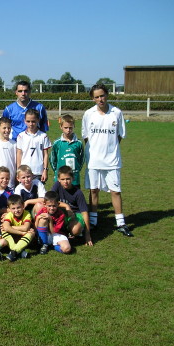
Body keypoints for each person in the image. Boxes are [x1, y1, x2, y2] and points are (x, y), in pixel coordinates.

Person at [82, 84, 133, 237]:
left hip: (112, 161)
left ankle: (121, 223)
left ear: (107, 95)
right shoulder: (88, 114)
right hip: (94, 161)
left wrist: (110, 150)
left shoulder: (116, 113)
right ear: (93, 98)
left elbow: (119, 136)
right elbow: (86, 137)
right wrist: (95, 152)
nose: (100, 99)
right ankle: (93, 221)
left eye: (102, 95)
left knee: (116, 191)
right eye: (97, 97)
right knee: (94, 190)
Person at [51, 166, 92, 246]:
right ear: (58, 179)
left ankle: (78, 230)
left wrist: (87, 235)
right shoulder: (57, 185)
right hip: (62, 213)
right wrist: (66, 205)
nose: (65, 182)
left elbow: (84, 212)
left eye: (68, 179)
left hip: (75, 214)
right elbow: (50, 199)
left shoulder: (78, 193)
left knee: (75, 230)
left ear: (72, 178)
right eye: (62, 179)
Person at [16, 109, 51, 183]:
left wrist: (45, 170)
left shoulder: (43, 136)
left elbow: (45, 155)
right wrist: (18, 170)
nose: (31, 124)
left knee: (38, 194)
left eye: (33, 121)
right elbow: (19, 154)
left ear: (38, 120)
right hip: (24, 172)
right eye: (28, 121)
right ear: (24, 121)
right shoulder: (21, 136)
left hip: (38, 172)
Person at [50, 114, 84, 188]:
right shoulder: (57, 143)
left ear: (74, 127)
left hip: (74, 178)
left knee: (74, 197)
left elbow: (81, 159)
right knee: (60, 198)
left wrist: (76, 170)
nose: (68, 130)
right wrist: (57, 171)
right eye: (66, 128)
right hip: (61, 178)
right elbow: (53, 159)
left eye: (70, 128)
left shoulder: (78, 143)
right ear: (61, 127)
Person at [1, 195, 34, 261]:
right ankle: (18, 251)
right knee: (3, 230)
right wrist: (21, 232)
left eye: (18, 207)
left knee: (31, 233)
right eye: (13, 208)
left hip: (22, 238)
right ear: (9, 209)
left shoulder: (27, 214)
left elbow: (26, 228)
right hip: (12, 238)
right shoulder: (9, 215)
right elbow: (6, 228)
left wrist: (10, 227)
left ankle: (14, 252)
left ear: (23, 206)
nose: (16, 210)